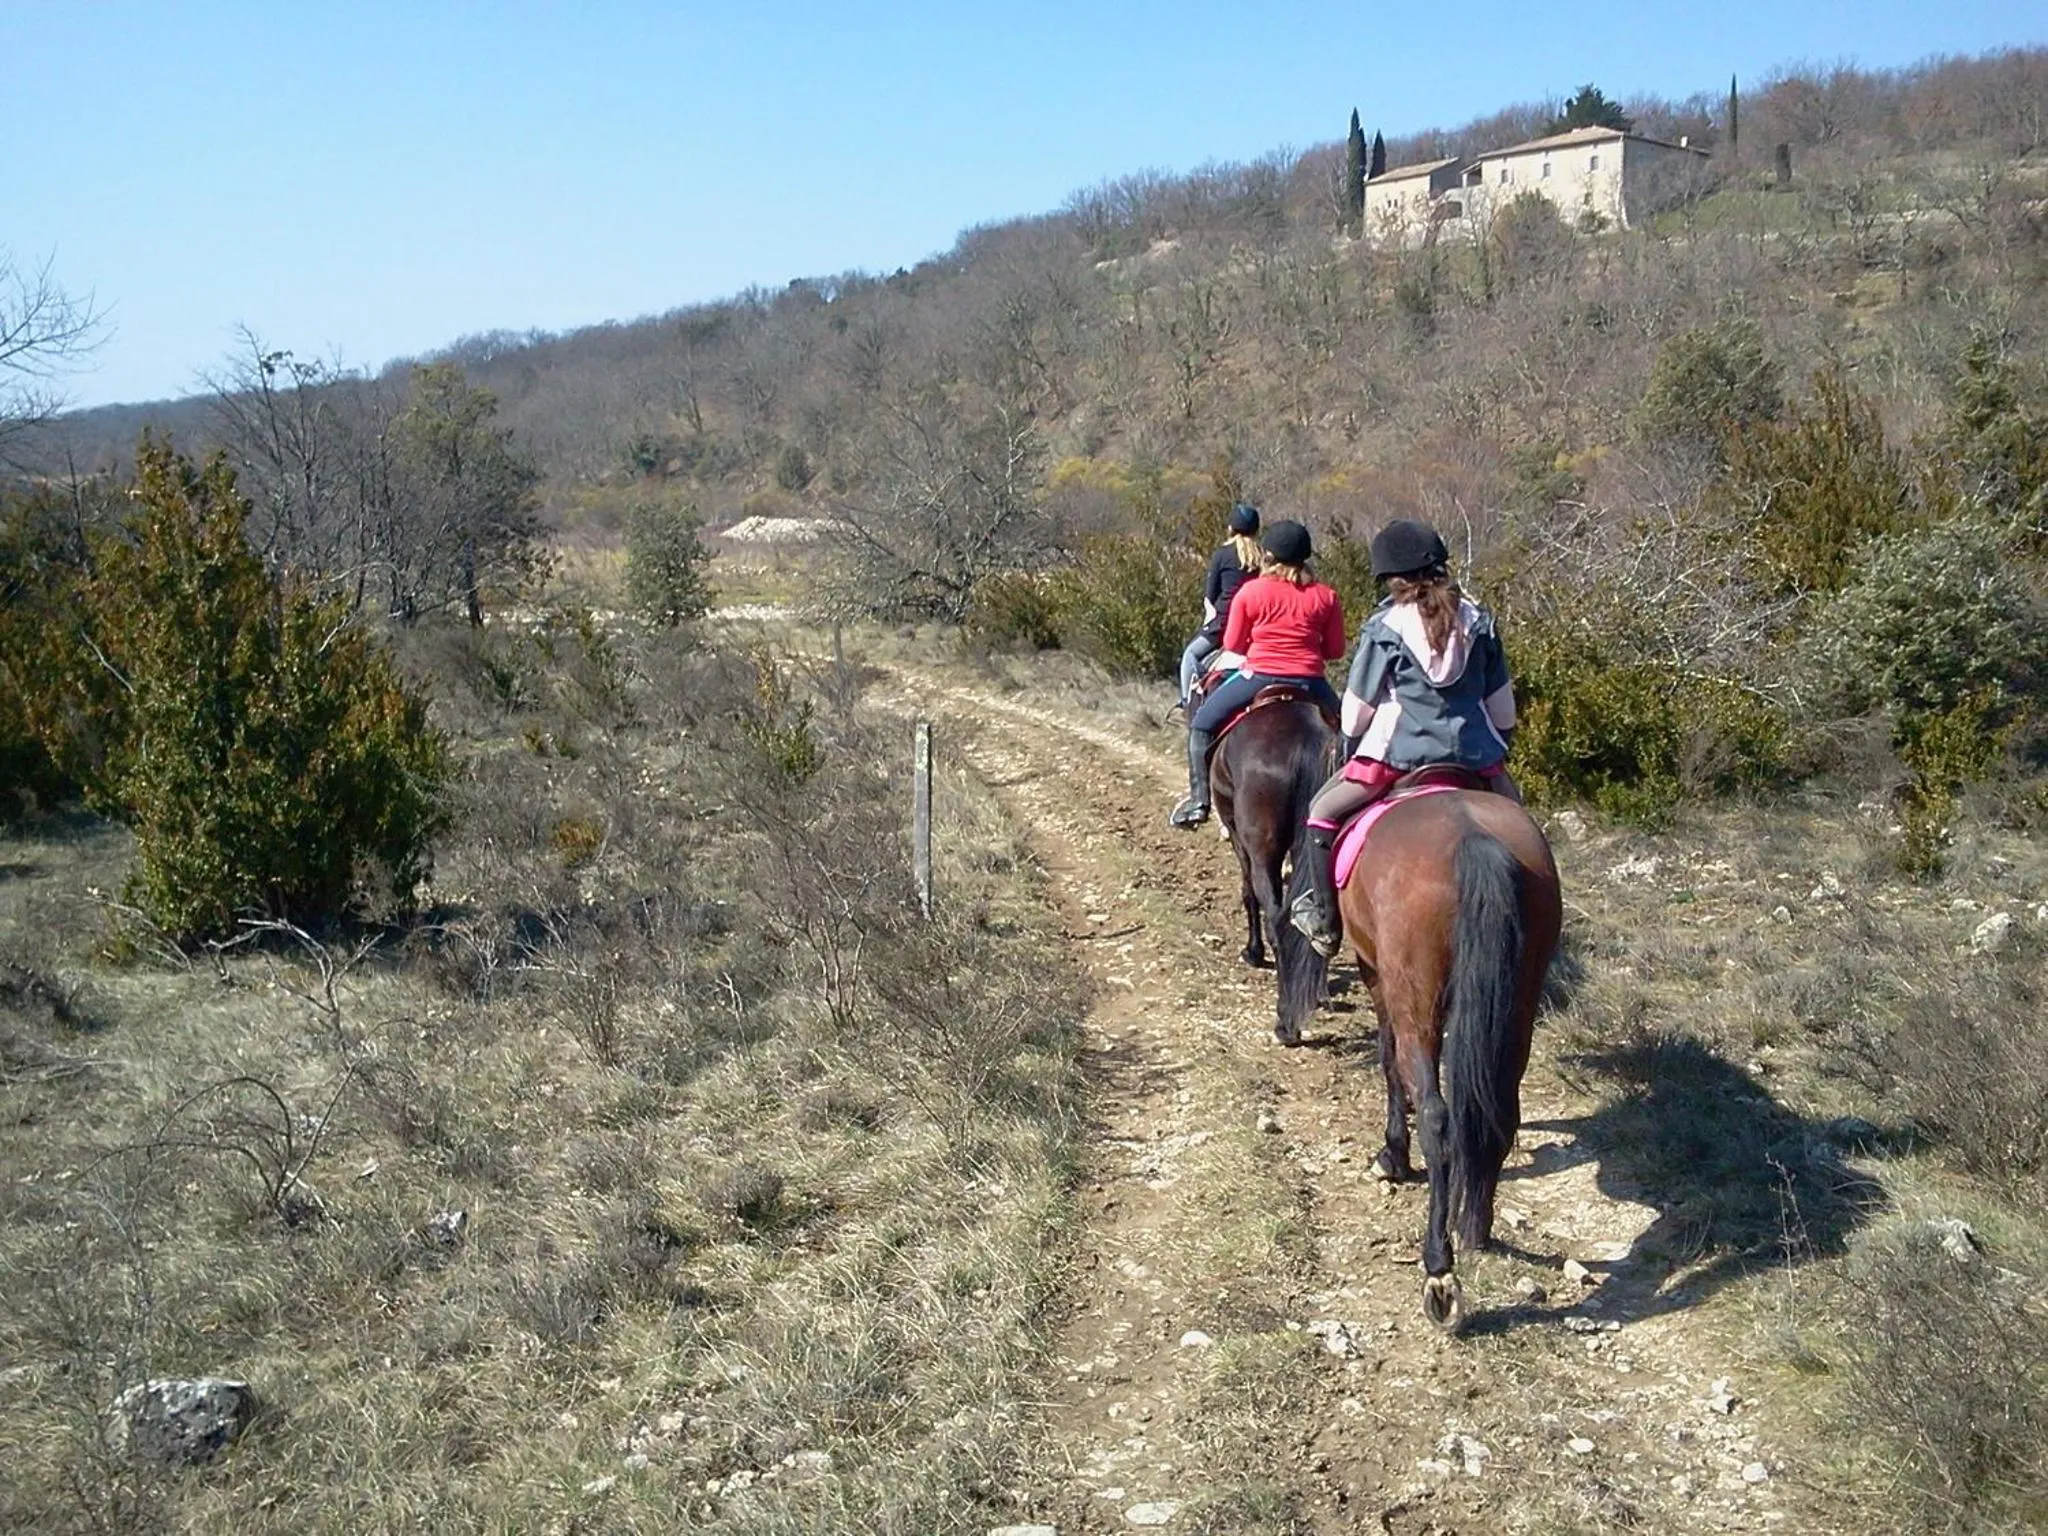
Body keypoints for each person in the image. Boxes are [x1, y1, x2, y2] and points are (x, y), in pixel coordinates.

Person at [1288, 518, 1521, 956]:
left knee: (1321, 811)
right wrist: (1492, 745)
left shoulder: (1386, 627)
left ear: (1391, 577)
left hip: (1397, 757)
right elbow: (1503, 709)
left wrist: (1350, 744)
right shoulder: (1480, 622)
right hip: (1474, 758)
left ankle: (1324, 918)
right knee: (1522, 829)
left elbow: (1357, 712)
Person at [1170, 519, 1346, 830]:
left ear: (1269, 556)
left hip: (1258, 676)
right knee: (1349, 734)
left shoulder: (1250, 592)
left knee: (1201, 724)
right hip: (1311, 681)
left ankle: (1198, 801)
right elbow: (1335, 650)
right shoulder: (1326, 596)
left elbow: (1233, 644)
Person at [1176, 502, 1263, 715]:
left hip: (1224, 623)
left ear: (1231, 528)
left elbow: (1210, 597)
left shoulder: (1222, 554)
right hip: (1256, 623)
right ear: (1256, 530)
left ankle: (1187, 705)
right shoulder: (1265, 557)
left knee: (1190, 656)